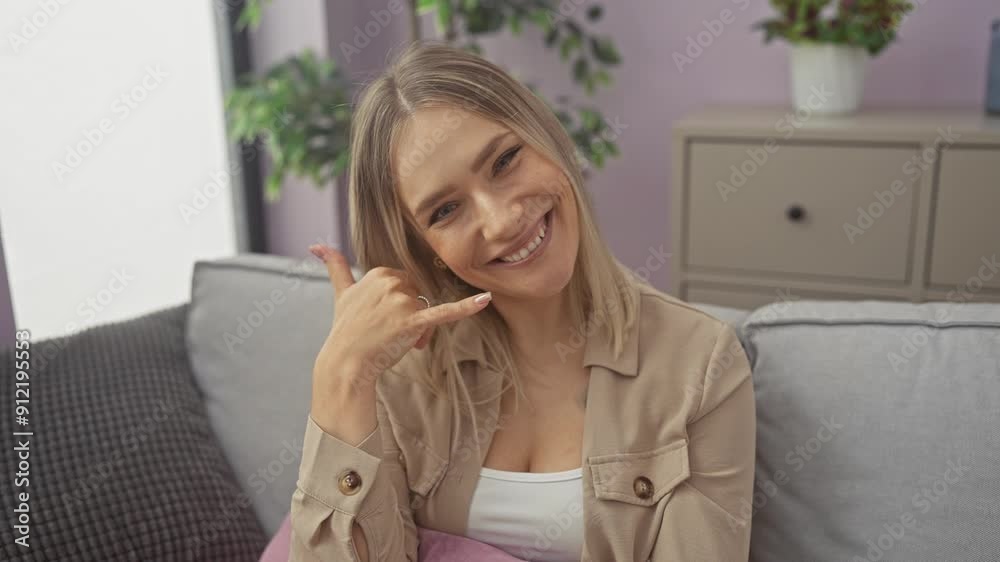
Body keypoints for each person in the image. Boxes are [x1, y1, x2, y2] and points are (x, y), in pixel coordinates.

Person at [291, 39, 756, 562]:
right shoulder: (400, 373)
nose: (502, 220)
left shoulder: (700, 363)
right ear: (428, 249)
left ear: (549, 138)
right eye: (445, 211)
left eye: (505, 160)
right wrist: (342, 378)